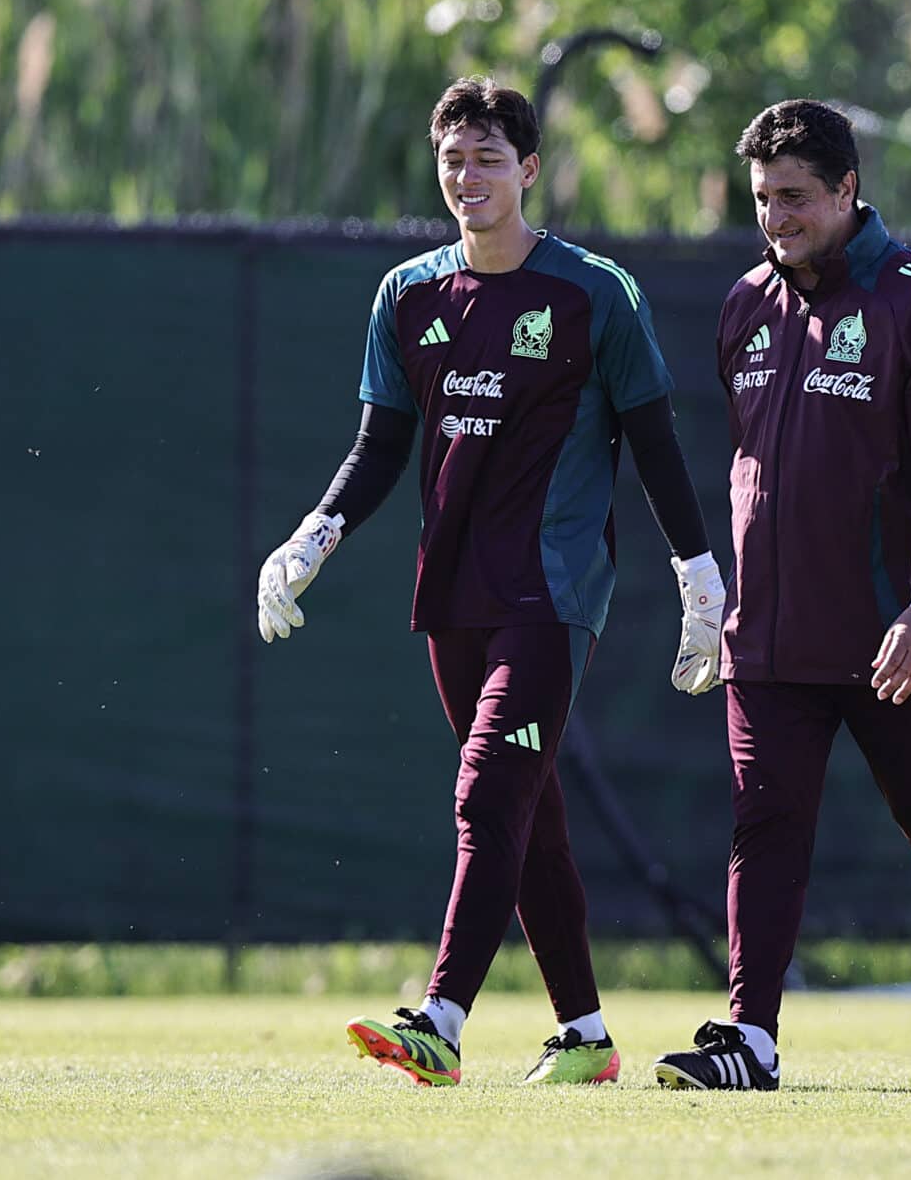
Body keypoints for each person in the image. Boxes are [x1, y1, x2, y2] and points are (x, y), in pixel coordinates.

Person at [255, 76, 724, 1087]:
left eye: (487, 159)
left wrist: (700, 575)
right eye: (452, 159)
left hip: (553, 592)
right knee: (529, 813)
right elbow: (380, 445)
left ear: (529, 171)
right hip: (452, 589)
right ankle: (586, 1034)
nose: (467, 177)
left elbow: (653, 443)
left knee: (487, 790)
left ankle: (441, 1018)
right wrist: (314, 533)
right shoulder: (409, 293)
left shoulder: (595, 292)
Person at [653, 100, 911, 1092]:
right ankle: (750, 1037)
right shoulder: (741, 307)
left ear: (848, 190)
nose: (777, 218)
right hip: (766, 638)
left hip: (894, 636)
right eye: (763, 199)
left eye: (797, 198)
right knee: (763, 821)